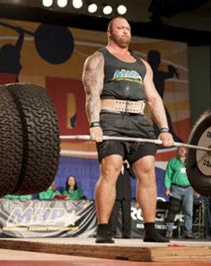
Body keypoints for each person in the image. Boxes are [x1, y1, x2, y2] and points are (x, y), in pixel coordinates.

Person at [82, 16, 175, 243]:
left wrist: (164, 129)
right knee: (110, 170)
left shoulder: (142, 64)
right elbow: (92, 94)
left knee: (147, 172)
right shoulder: (98, 59)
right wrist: (94, 124)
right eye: (120, 28)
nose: (125, 31)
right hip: (110, 119)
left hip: (140, 122)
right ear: (109, 32)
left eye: (128, 28)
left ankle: (150, 229)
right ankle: (104, 229)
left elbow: (153, 98)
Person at [164, 146, 198, 239]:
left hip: (189, 189)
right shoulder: (172, 162)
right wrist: (167, 188)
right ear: (177, 151)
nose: (183, 151)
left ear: (187, 151)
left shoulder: (191, 163)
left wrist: (196, 190)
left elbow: (195, 177)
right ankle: (169, 230)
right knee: (173, 209)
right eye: (181, 149)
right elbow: (168, 176)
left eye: (184, 149)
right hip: (176, 188)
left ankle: (188, 232)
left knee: (188, 211)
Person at [108, 161, 134, 239]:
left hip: (126, 195)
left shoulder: (128, 167)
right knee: (113, 215)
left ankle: (126, 234)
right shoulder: (114, 167)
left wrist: (128, 165)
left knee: (127, 215)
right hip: (116, 194)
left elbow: (134, 175)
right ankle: (112, 233)